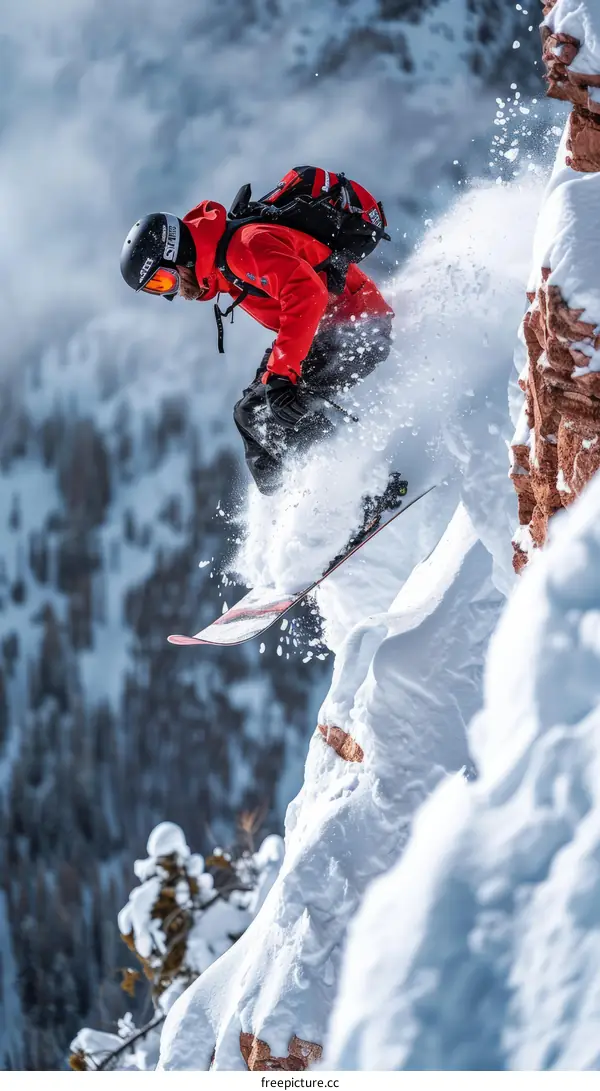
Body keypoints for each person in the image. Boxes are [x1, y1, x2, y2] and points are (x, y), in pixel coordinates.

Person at [120, 194, 395, 496]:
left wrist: (282, 374)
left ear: (178, 254)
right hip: (330, 330)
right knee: (248, 415)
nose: (172, 294)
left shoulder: (243, 248)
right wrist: (280, 375)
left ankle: (368, 489)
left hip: (358, 326)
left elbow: (307, 292)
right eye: (156, 289)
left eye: (162, 282)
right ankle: (291, 507)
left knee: (272, 410)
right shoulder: (223, 263)